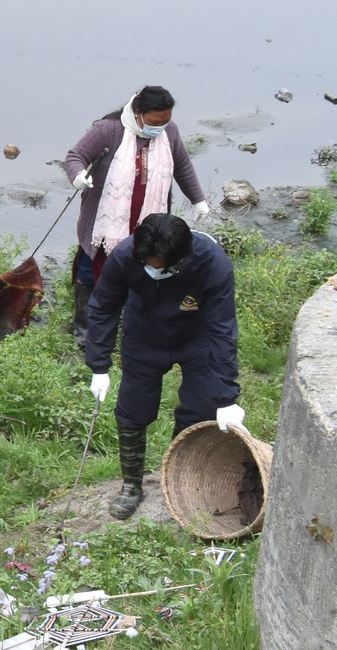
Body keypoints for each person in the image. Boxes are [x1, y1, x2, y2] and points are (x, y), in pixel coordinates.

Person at [83, 212, 243, 520]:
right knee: (133, 409)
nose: (153, 270)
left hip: (196, 338)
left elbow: (223, 328)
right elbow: (103, 307)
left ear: (181, 258)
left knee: (201, 408)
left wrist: (226, 396)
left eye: (161, 267)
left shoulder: (212, 263)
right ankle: (131, 486)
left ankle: (176, 477)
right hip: (144, 335)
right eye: (148, 264)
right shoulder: (125, 256)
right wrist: (99, 365)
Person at [63, 85, 208, 334]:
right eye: (155, 122)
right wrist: (78, 175)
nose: (160, 128)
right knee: (90, 271)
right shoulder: (108, 130)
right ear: (138, 113)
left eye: (165, 121)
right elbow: (75, 156)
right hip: (104, 225)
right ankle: (85, 332)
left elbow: (182, 166)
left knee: (142, 272)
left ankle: (130, 327)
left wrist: (198, 200)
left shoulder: (169, 132)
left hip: (147, 225)